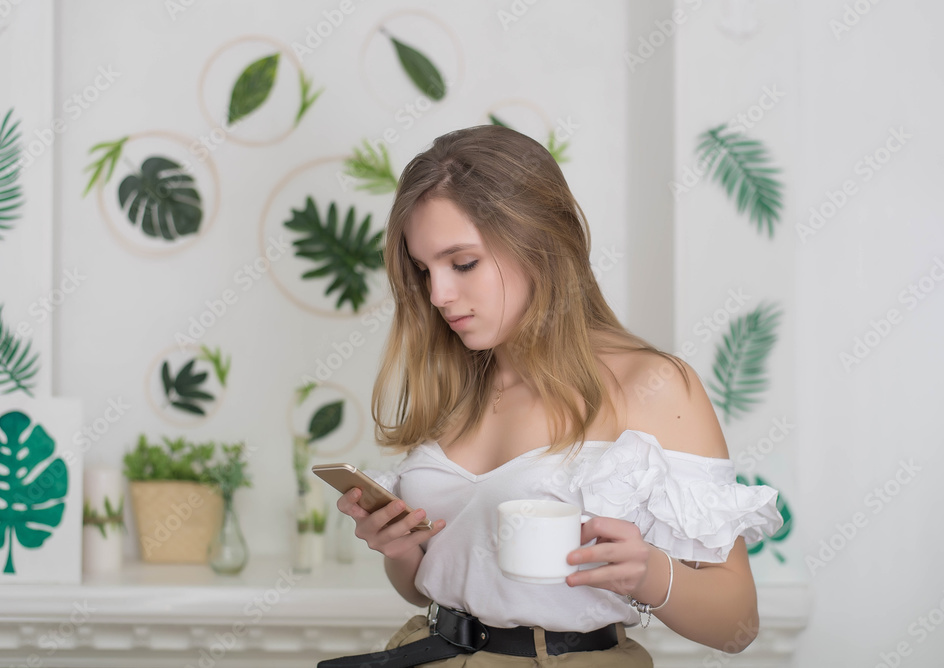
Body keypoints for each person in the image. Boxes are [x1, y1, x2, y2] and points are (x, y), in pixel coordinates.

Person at [320, 124, 784, 667]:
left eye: (462, 263)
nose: (438, 294)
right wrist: (400, 549)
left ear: (539, 243)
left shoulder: (652, 385)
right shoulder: (453, 385)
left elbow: (737, 625)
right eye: (424, 270)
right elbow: (424, 589)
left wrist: (649, 573)